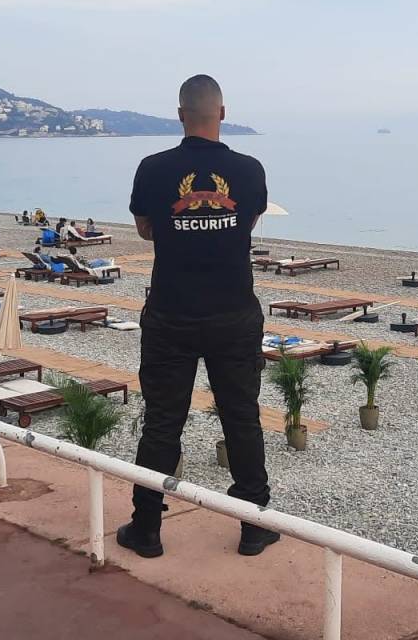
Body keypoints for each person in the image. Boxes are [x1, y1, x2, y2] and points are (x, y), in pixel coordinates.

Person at [121, 74, 276, 559]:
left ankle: (147, 528)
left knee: (162, 423)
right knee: (242, 417)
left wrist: (180, 227)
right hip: (234, 314)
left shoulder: (152, 168)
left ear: (180, 114)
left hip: (171, 313)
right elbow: (247, 224)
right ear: (222, 113)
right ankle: (254, 526)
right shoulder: (249, 170)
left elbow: (145, 229)